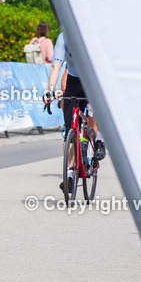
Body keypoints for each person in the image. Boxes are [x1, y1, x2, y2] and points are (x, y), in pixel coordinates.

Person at [47, 31, 106, 195]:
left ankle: (99, 141)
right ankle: (71, 174)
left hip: (93, 79)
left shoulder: (92, 35)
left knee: (95, 109)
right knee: (69, 130)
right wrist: (50, 90)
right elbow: (55, 66)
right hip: (74, 81)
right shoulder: (64, 36)